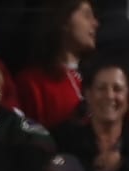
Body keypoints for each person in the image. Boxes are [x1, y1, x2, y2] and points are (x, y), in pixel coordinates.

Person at [14, 0, 98, 130]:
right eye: (87, 16)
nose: (95, 23)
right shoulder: (33, 83)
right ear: (64, 20)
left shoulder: (101, 77)